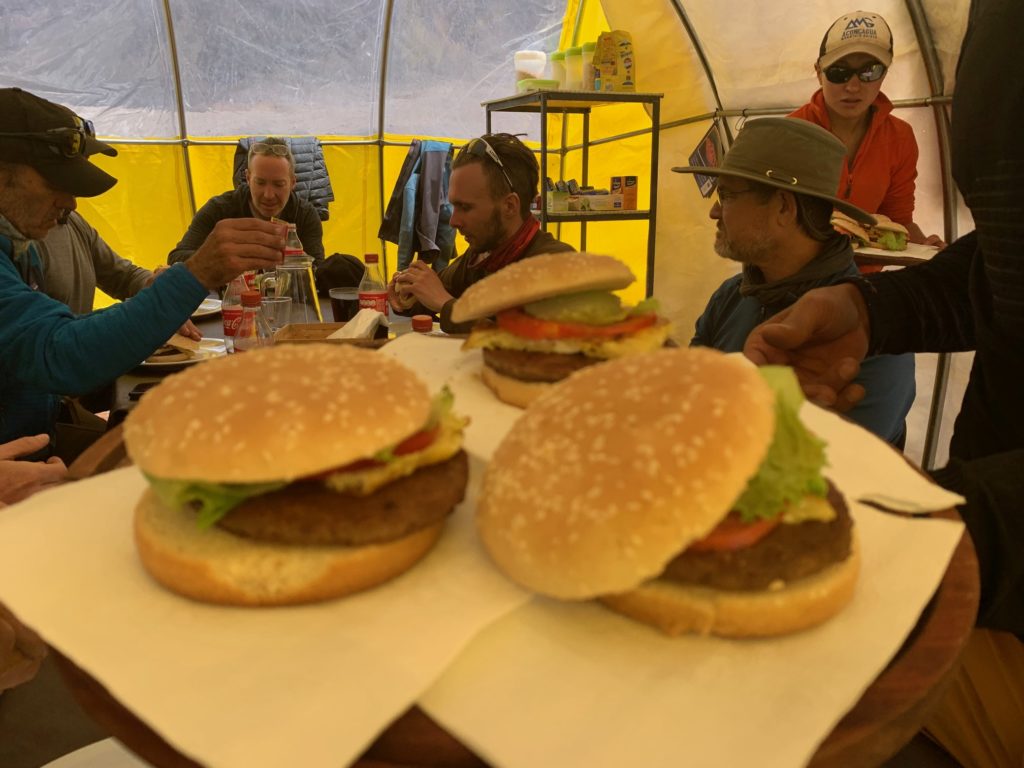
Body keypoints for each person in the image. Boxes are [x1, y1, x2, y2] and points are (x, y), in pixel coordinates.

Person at [744, 1, 1022, 763]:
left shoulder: (896, 138)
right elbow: (1004, 261)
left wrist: (941, 526)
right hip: (976, 607)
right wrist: (874, 308)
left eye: (730, 192)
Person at [0, 87, 285, 455]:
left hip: (44, 434)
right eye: (56, 184)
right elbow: (58, 353)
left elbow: (32, 362)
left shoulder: (20, 243)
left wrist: (157, 301)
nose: (70, 202)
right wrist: (196, 273)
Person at [674, 117, 915, 446]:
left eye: (727, 196)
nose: (714, 214)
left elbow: (838, 474)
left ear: (784, 208)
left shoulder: (870, 333)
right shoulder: (731, 296)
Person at [789, 10, 944, 256]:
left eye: (869, 72)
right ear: (819, 72)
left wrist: (923, 247)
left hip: (865, 283)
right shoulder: (789, 133)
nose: (853, 86)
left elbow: (898, 220)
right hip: (799, 277)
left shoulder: (900, 137)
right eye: (838, 72)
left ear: (885, 74)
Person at [388, 133, 574, 333]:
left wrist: (447, 305)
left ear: (509, 206)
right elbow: (434, 294)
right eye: (453, 206)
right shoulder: (482, 255)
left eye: (465, 207)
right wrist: (409, 293)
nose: (453, 221)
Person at [168, 136, 324, 270]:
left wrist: (296, 260)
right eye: (260, 183)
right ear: (248, 178)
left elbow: (320, 270)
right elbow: (176, 257)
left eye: (278, 184)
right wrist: (223, 254)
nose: (268, 195)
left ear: (293, 183)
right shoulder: (219, 210)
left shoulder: (305, 215)